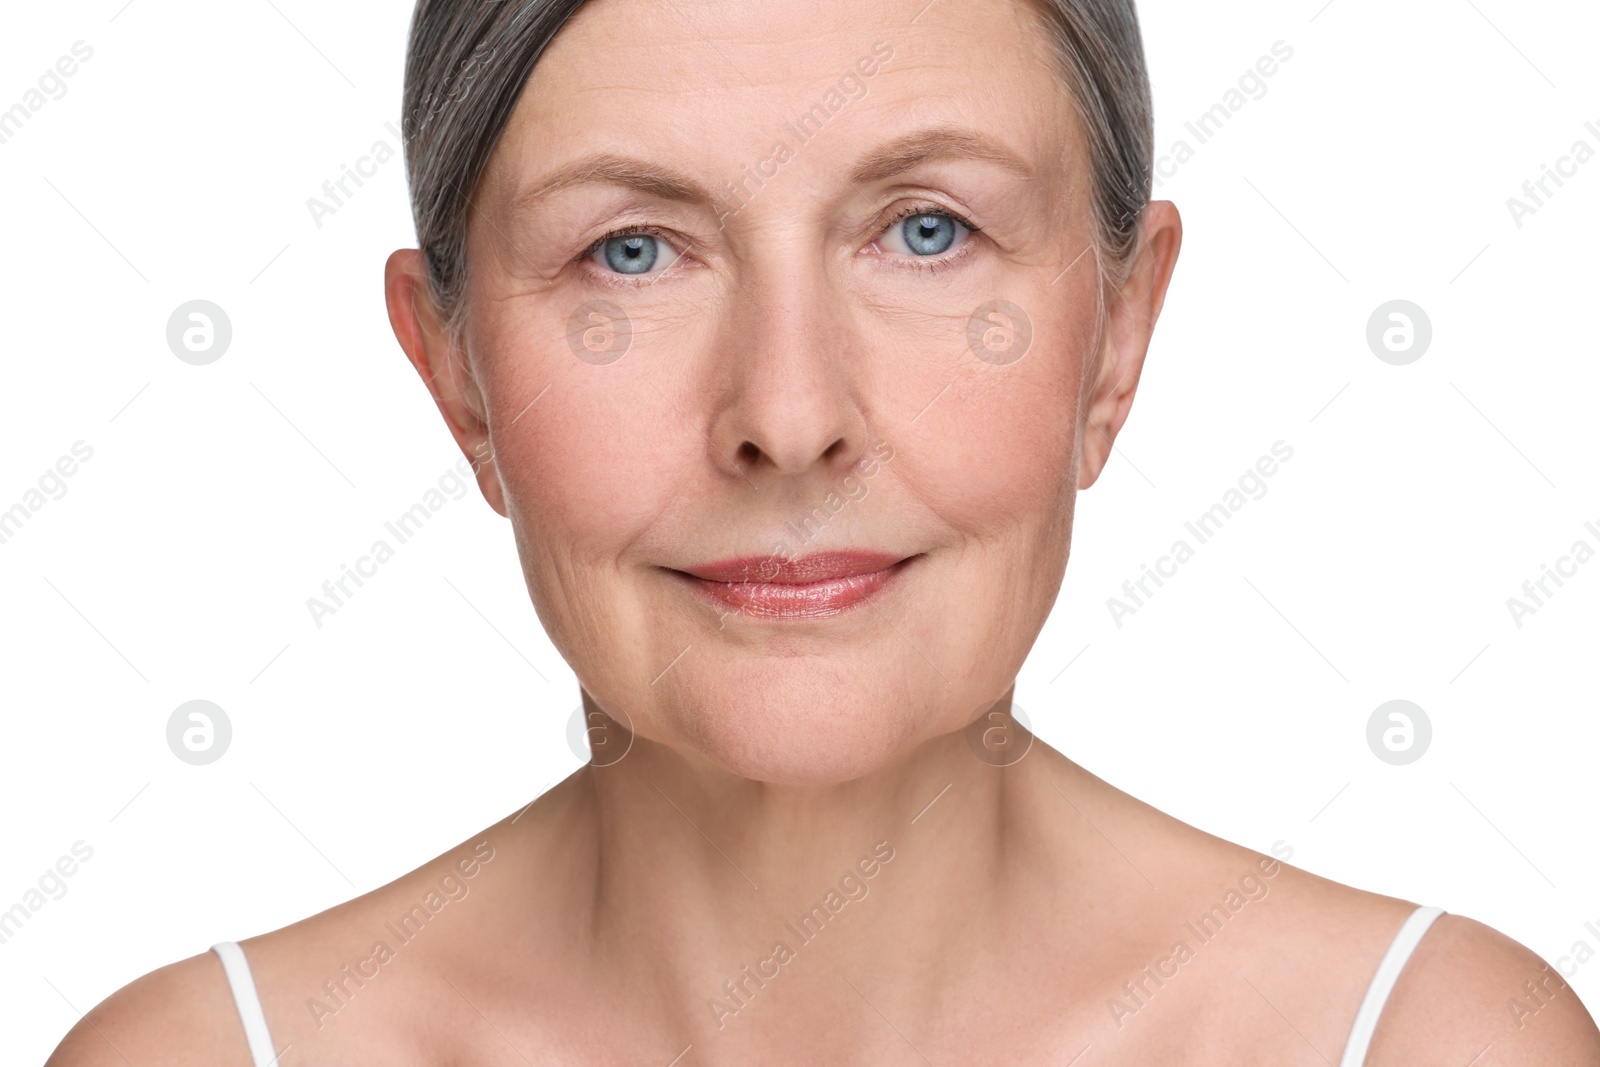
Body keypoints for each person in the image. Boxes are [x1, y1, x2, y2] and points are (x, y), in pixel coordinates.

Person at [47, 0, 1600, 1063]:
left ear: (1119, 336)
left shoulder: (1426, 1043)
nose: (787, 416)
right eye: (633, 251)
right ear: (454, 371)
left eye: (929, 230)